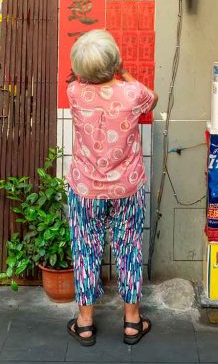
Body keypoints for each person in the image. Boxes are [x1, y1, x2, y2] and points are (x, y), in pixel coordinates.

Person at [65, 30, 159, 346]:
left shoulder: (74, 93)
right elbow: (152, 98)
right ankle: (132, 321)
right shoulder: (132, 94)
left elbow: (78, 79)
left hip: (85, 188)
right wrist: (124, 73)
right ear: (114, 62)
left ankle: (85, 322)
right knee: (128, 247)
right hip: (126, 187)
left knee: (85, 248)